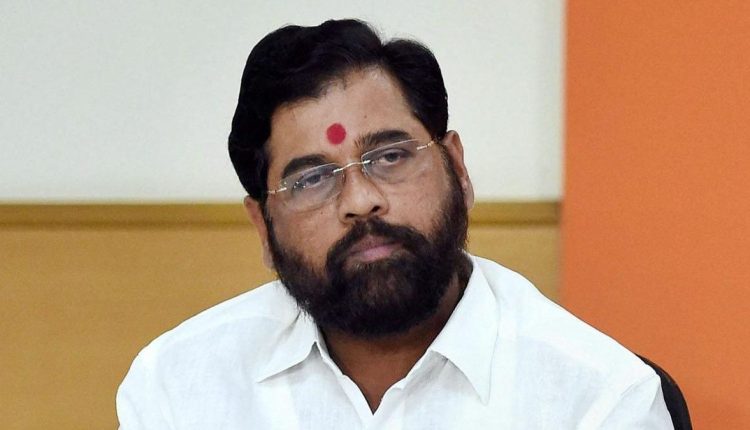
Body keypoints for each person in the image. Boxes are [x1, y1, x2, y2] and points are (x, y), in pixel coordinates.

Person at [117, 19, 673, 429]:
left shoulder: (597, 400)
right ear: (263, 226)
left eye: (389, 157)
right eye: (312, 178)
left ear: (457, 169)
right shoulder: (178, 386)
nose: (361, 201)